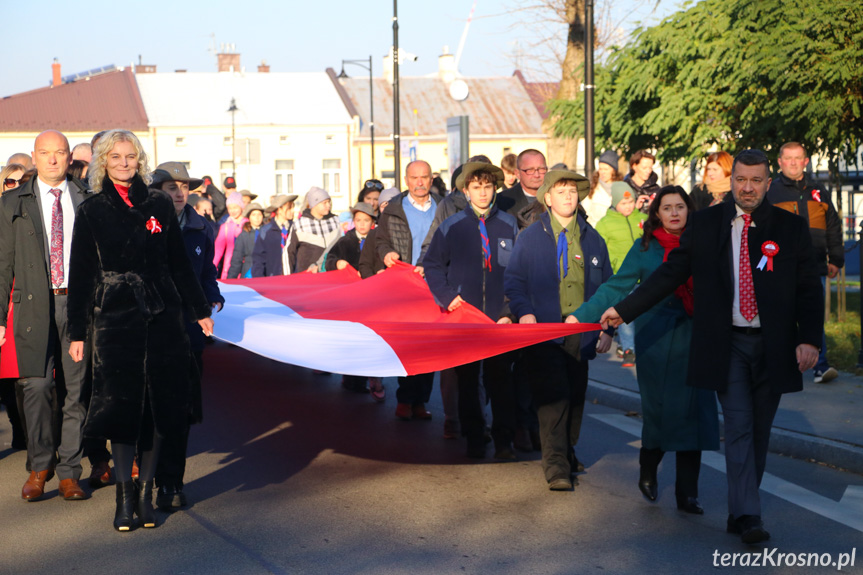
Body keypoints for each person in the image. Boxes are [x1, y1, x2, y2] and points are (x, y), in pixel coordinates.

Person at [599, 149, 822, 544]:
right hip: (728, 344)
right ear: (731, 181)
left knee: (759, 431)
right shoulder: (705, 224)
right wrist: (624, 310)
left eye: (756, 180)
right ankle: (750, 515)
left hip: (774, 346)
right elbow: (670, 273)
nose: (748, 187)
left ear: (767, 183)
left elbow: (807, 286)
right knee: (737, 426)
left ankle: (739, 508)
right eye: (741, 179)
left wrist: (809, 339)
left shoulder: (789, 228)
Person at [67, 130, 213, 531]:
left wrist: (199, 309)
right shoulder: (93, 209)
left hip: (163, 317)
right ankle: (123, 498)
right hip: (115, 319)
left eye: (130, 156)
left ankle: (146, 495)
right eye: (116, 156)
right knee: (122, 407)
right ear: (104, 162)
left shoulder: (159, 203)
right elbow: (81, 274)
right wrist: (77, 332)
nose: (124, 163)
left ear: (140, 160)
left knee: (157, 409)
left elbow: (179, 263)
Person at [575, 186, 719, 514]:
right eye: (666, 207)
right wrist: (586, 317)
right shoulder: (645, 248)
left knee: (694, 411)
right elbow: (617, 286)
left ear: (689, 210)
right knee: (660, 409)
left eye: (679, 207)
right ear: (656, 213)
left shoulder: (703, 243)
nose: (673, 213)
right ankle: (649, 466)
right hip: (655, 337)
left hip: (696, 335)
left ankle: (688, 492)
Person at [503, 170, 613, 490]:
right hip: (544, 332)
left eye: (572, 191)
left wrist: (608, 329)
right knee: (553, 398)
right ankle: (555, 466)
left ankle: (567, 450)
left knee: (575, 397)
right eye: (560, 191)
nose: (568, 196)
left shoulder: (593, 238)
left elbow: (607, 289)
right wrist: (524, 313)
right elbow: (514, 282)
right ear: (547, 198)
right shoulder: (530, 238)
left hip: (583, 333)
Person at [0, 130, 91, 502]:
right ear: (33, 158)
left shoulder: (88, 199)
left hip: (78, 304)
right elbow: (2, 263)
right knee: (35, 387)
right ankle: (40, 466)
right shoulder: (11, 203)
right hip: (32, 305)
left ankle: (70, 471)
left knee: (77, 389)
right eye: (45, 152)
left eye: (60, 152)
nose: (53, 159)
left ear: (70, 158)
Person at [424, 162, 518, 459]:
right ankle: (474, 436)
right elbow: (433, 265)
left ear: (494, 189)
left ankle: (504, 441)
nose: (482, 193)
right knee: (467, 381)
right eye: (476, 187)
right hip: (465, 317)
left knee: (501, 382)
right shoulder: (452, 226)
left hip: (500, 319)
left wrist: (509, 310)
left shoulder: (508, 224)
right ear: (465, 191)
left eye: (487, 187)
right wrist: (448, 296)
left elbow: (518, 270)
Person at [149, 161, 224, 511]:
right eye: (171, 188)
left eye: (184, 187)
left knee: (180, 413)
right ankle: (142, 476)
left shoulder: (201, 226)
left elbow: (207, 271)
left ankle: (171, 482)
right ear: (157, 191)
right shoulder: (144, 223)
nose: (179, 194)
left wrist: (213, 297)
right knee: (149, 412)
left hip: (188, 333)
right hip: (150, 330)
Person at [767, 142, 843, 384]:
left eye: (797, 158)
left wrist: (836, 258)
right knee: (783, 314)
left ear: (805, 161)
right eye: (787, 158)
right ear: (779, 162)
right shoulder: (771, 192)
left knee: (813, 312)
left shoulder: (818, 190)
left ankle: (820, 366)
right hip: (779, 265)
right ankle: (784, 362)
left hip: (814, 264)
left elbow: (832, 225)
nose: (792, 162)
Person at [376, 160, 440, 420]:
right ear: (406, 179)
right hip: (404, 287)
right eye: (414, 178)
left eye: (424, 177)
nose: (420, 182)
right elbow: (379, 240)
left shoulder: (443, 208)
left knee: (430, 348)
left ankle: (420, 401)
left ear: (431, 179)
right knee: (408, 346)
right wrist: (387, 253)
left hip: (434, 286)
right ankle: (405, 399)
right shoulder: (393, 210)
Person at [594, 181, 647, 367]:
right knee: (625, 316)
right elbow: (598, 249)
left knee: (643, 315)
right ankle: (628, 349)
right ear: (615, 203)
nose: (628, 206)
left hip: (645, 277)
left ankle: (641, 346)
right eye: (623, 203)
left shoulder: (642, 219)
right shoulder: (606, 223)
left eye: (631, 202)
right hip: (621, 278)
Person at [287, 187, 341, 273]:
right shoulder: (299, 224)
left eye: (329, 202)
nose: (328, 205)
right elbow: (289, 253)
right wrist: (287, 279)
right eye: (324, 203)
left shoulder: (336, 221)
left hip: (332, 276)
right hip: (308, 279)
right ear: (314, 204)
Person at [357, 187, 400, 279]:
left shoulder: (409, 231)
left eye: (391, 204)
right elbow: (364, 265)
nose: (388, 208)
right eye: (384, 205)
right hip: (379, 287)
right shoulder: (373, 234)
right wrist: (375, 278)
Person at [251, 195, 297, 277]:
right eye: (289, 208)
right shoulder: (266, 231)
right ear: (279, 210)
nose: (292, 211)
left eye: (293, 207)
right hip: (272, 278)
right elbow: (259, 258)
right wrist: (259, 279)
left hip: (293, 278)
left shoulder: (295, 229)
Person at [497, 149, 547, 220]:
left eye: (541, 169)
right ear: (517, 173)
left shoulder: (557, 198)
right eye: (530, 170)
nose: (536, 175)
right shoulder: (501, 201)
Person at [581, 150, 623, 224]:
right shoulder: (592, 189)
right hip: (596, 232)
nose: (602, 172)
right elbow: (585, 213)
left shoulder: (622, 188)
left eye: (606, 169)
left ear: (614, 170)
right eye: (600, 169)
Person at [213, 192, 247, 279]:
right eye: (230, 208)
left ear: (241, 207)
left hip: (245, 266)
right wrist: (212, 266)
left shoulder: (247, 224)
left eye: (235, 207)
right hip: (229, 267)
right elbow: (218, 249)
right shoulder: (225, 226)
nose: (233, 211)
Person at [227, 202, 265, 278]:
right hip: (248, 274)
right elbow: (236, 260)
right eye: (253, 215)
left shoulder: (268, 233)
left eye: (259, 214)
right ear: (249, 217)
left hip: (265, 274)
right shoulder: (243, 236)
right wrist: (230, 279)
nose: (257, 217)